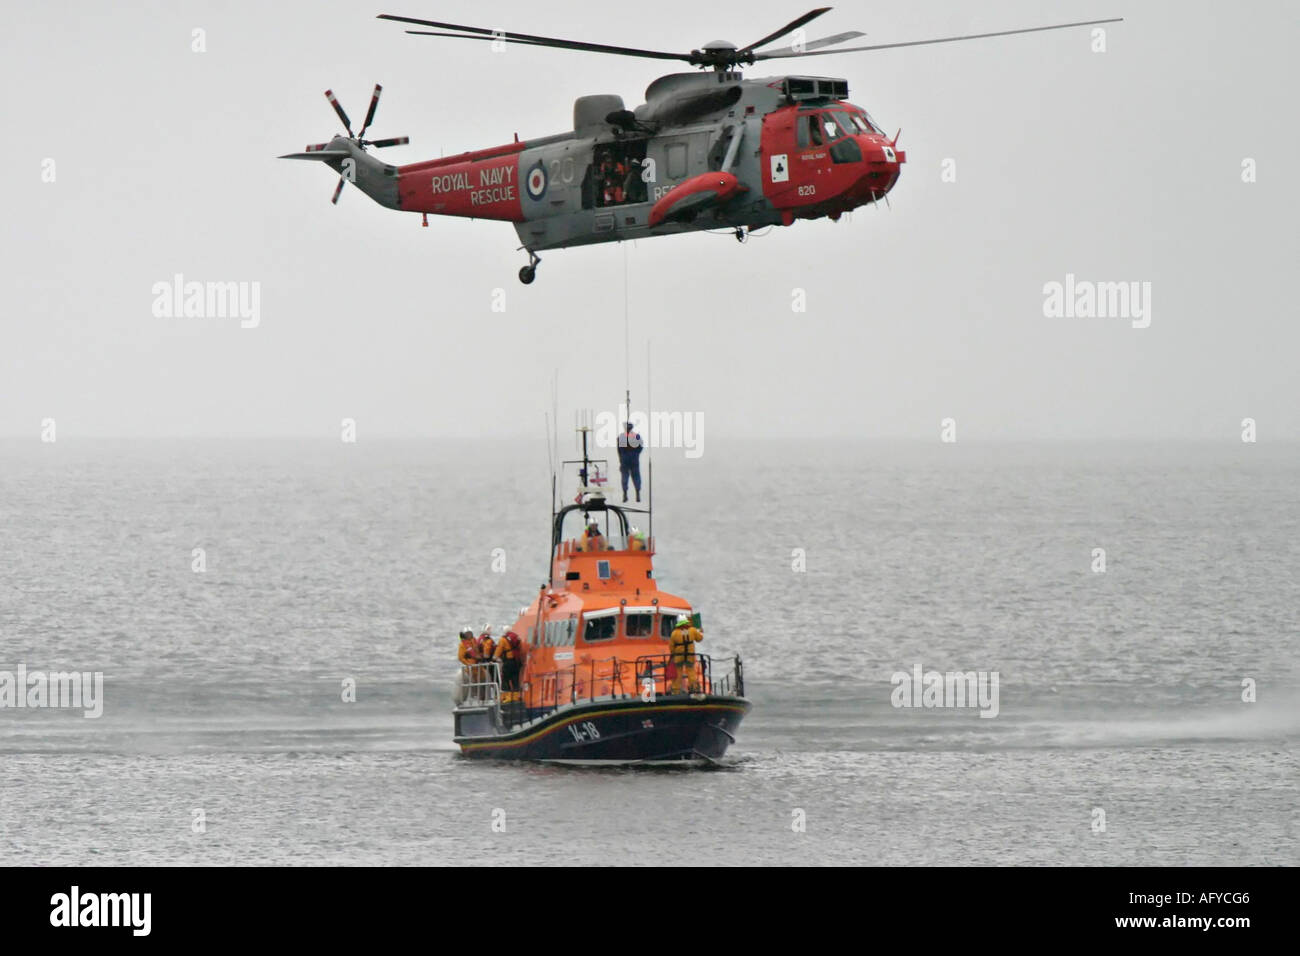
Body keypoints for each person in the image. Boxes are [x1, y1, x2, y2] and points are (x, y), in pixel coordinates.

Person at [668, 614, 703, 694]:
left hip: (678, 657)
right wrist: (701, 631)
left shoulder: (674, 633)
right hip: (690, 656)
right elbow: (699, 639)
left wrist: (673, 654)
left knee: (678, 673)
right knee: (691, 672)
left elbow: (671, 647)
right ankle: (694, 688)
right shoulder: (692, 630)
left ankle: (676, 691)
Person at [494, 630, 525, 704]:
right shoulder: (516, 638)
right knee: (515, 680)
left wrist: (494, 658)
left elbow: (498, 650)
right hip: (516, 662)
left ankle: (507, 697)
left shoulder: (503, 639)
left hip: (508, 662)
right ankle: (516, 696)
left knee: (505, 679)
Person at [617, 422, 643, 502]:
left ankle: (626, 494)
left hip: (626, 459)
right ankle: (637, 493)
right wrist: (636, 454)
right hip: (633, 458)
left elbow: (619, 450)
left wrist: (621, 458)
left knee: (625, 477)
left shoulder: (621, 437)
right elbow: (640, 447)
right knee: (635, 476)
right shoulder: (636, 436)